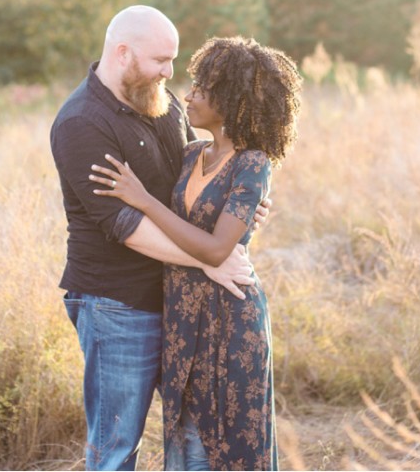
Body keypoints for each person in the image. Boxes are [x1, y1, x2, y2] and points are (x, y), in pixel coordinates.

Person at [49, 6, 268, 471]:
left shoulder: (162, 101)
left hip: (181, 301)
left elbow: (195, 176)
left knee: (199, 432)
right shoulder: (81, 123)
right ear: (123, 53)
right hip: (116, 306)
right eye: (160, 61)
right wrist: (208, 260)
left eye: (173, 61)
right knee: (116, 444)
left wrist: (242, 204)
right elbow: (125, 225)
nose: (170, 73)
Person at [89, 36, 302, 471]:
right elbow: (193, 229)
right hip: (183, 313)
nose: (187, 95)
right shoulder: (190, 155)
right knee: (187, 437)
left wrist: (143, 199)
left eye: (200, 89)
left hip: (229, 316)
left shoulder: (253, 163)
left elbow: (217, 247)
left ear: (229, 100)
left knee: (225, 441)